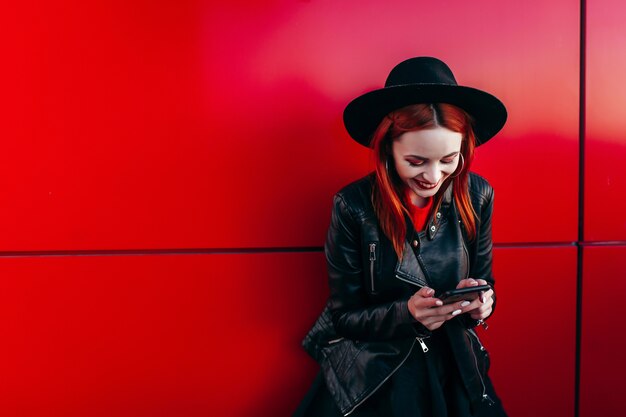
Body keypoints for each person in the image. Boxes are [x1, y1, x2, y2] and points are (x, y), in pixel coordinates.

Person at [294, 57, 508, 417]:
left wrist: (482, 304)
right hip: (381, 373)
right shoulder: (353, 206)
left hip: (454, 366)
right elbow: (345, 316)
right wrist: (406, 314)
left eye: (448, 159)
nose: (433, 175)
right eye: (416, 161)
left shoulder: (477, 195)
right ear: (387, 149)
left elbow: (486, 284)